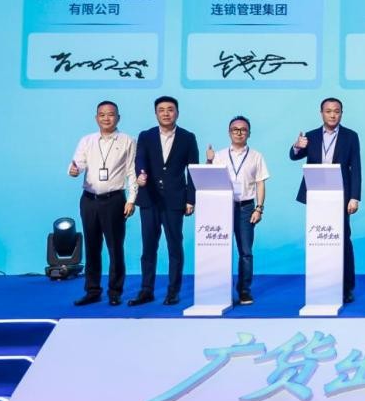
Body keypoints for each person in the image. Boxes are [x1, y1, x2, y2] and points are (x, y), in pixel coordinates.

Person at [291, 97, 361, 303]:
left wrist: (354, 197)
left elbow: (356, 167)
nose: (332, 115)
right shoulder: (311, 136)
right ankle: (320, 282)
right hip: (316, 194)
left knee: (343, 239)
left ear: (341, 113)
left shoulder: (350, 136)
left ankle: (346, 287)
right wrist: (297, 146)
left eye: (336, 111)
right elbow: (294, 156)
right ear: (321, 113)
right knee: (318, 238)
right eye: (328, 111)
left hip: (341, 195)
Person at [130, 96, 199, 306]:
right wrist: (141, 173)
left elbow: (193, 170)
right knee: (148, 247)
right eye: (161, 110)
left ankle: (173, 292)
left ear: (177, 113)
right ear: (156, 113)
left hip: (175, 200)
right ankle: (146, 290)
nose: (166, 113)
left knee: (174, 247)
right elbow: (140, 158)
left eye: (170, 109)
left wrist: (191, 199)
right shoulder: (146, 135)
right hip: (149, 198)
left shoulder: (188, 137)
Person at [68, 101, 137, 306]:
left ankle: (115, 292)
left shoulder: (127, 140)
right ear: (96, 118)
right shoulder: (87, 140)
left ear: (118, 118)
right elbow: (78, 163)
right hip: (89, 200)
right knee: (92, 247)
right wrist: (73, 170)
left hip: (114, 200)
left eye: (111, 114)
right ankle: (92, 291)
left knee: (115, 248)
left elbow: (132, 172)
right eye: (102, 115)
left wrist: (131, 199)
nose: (106, 118)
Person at [205, 115, 268, 305]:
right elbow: (209, 179)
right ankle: (218, 290)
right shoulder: (219, 155)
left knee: (245, 252)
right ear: (229, 132)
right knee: (218, 250)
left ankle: (244, 291)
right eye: (235, 129)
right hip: (223, 207)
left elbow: (260, 183)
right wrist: (209, 161)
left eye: (243, 130)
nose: (239, 133)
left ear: (249, 133)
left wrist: (259, 208)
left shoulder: (256, 156)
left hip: (246, 207)